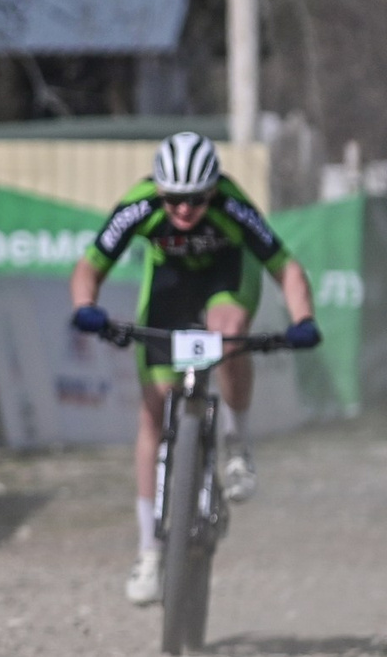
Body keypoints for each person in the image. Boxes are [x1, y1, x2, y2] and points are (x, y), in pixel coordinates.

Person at [66, 131, 318, 606]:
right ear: (159, 190)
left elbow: (286, 267)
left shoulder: (233, 204)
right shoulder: (140, 205)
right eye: (175, 200)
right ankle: (149, 552)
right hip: (171, 285)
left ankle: (236, 441)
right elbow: (90, 265)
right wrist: (86, 306)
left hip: (226, 276)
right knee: (152, 412)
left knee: (228, 333)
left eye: (197, 199)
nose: (184, 210)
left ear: (213, 189)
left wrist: (303, 319)